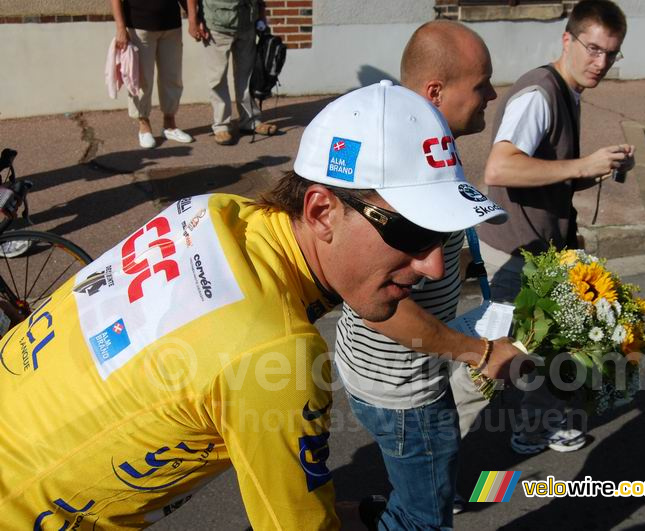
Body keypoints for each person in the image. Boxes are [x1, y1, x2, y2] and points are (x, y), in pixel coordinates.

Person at [0, 81, 507, 529]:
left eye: (443, 237)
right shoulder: (279, 354)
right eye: (413, 233)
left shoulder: (215, 211)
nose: (435, 267)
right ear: (322, 210)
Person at [335, 21, 528, 528]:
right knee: (426, 516)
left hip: (393, 368)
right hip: (404, 387)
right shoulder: (405, 169)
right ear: (435, 91)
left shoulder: (428, 146)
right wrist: (480, 353)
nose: (491, 93)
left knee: (413, 494)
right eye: (481, 82)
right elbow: (382, 303)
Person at [472, 0, 635, 455]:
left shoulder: (568, 90)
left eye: (611, 53)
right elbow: (499, 170)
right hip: (512, 251)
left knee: (530, 345)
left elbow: (547, 167)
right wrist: (583, 163)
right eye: (593, 48)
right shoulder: (539, 94)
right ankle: (444, 456)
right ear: (568, 40)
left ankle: (525, 426)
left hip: (535, 245)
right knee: (516, 350)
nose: (600, 62)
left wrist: (594, 169)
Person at [186, 0, 277, 145]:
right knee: (217, 78)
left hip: (247, 23)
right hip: (216, 25)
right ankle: (221, 125)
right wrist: (193, 20)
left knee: (247, 76)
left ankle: (250, 121)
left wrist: (261, 15)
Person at [110, 0, 194, 149]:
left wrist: (195, 17)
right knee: (142, 80)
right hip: (139, 25)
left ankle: (170, 125)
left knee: (172, 77)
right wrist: (120, 27)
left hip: (171, 25)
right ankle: (144, 125)